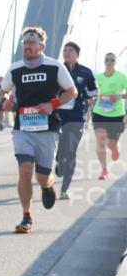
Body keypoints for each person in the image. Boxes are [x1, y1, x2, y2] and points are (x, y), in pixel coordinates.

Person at [0, 27, 77, 233]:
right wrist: (5, 101)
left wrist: (53, 104)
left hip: (48, 127)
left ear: (41, 46)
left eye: (31, 44)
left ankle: (47, 185)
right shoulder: (15, 69)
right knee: (25, 169)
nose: (27, 48)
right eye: (25, 44)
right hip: (23, 128)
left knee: (42, 175)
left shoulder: (55, 66)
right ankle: (26, 217)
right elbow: (3, 91)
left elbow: (72, 92)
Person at [54, 41, 97, 197]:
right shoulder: (57, 69)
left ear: (77, 54)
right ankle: (59, 159)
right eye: (64, 50)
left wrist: (83, 95)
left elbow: (93, 91)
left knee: (71, 152)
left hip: (77, 116)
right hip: (58, 114)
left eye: (70, 50)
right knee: (61, 146)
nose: (66, 52)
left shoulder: (86, 72)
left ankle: (65, 189)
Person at [92, 52, 127, 180]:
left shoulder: (121, 77)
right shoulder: (99, 77)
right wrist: (95, 97)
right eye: (107, 59)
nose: (109, 61)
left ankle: (114, 149)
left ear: (115, 62)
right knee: (100, 141)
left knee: (110, 144)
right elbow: (92, 91)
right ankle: (104, 170)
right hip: (99, 113)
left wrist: (118, 96)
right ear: (104, 62)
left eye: (112, 59)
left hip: (116, 115)